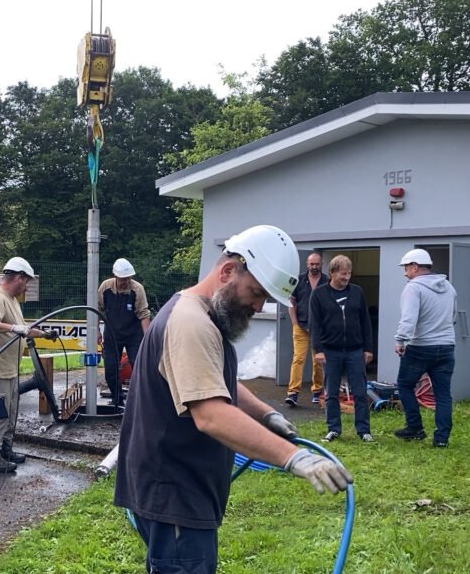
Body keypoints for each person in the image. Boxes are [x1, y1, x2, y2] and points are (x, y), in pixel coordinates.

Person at [114, 225, 353, 574]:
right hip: (176, 494)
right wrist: (294, 457)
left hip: (179, 490)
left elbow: (212, 382)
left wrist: (266, 414)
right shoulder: (190, 324)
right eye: (256, 293)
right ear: (227, 272)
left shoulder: (200, 315)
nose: (258, 306)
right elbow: (211, 414)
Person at [0, 256, 56, 473]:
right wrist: (13, 328)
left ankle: (5, 450)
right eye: (26, 281)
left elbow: (23, 329)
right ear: (18, 277)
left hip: (9, 369)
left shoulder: (11, 300)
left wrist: (44, 334)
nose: (27, 286)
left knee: (11, 413)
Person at [393, 249, 458, 448]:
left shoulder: (413, 288)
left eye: (406, 268)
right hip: (446, 346)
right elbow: (453, 317)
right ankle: (441, 439)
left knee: (405, 385)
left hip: (420, 347)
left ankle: (414, 427)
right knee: (443, 394)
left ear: (415, 266)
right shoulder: (448, 286)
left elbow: (409, 319)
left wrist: (400, 340)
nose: (405, 273)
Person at [309, 255, 375, 443]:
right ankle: (333, 429)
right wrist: (318, 349)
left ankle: (363, 430)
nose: (347, 278)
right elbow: (315, 325)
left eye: (349, 274)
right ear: (332, 273)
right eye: (343, 274)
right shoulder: (319, 295)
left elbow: (365, 321)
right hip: (330, 351)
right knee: (331, 391)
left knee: (360, 391)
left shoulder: (357, 292)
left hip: (355, 350)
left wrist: (368, 348)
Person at [98, 258, 151, 406]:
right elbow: (97, 309)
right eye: (122, 279)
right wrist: (96, 331)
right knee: (110, 369)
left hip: (134, 335)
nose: (125, 282)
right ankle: (117, 399)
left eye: (128, 278)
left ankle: (140, 402)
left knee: (140, 366)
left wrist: (147, 337)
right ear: (115, 276)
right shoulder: (105, 288)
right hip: (112, 334)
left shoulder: (137, 289)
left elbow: (144, 314)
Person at [285, 252, 327, 407]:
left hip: (320, 329)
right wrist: (295, 323)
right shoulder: (299, 281)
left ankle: (317, 391)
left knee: (318, 361)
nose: (314, 267)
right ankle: (293, 393)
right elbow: (291, 303)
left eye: (317, 264)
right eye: (312, 264)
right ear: (307, 264)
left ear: (321, 264)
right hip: (301, 326)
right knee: (298, 359)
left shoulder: (327, 281)